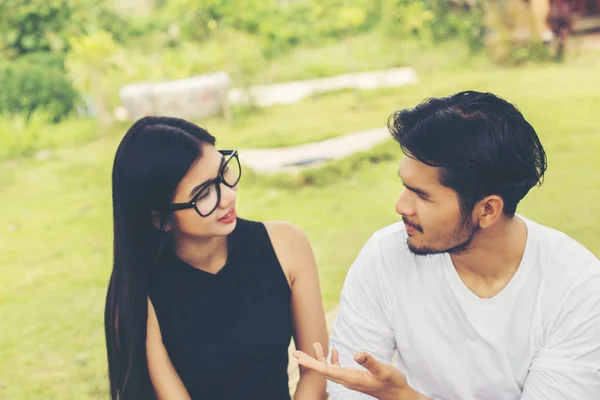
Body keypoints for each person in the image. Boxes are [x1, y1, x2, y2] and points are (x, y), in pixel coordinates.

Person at [294, 90, 600, 399]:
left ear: (487, 210)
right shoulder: (386, 255)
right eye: (405, 187)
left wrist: (402, 397)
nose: (401, 206)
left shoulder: (577, 287)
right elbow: (351, 389)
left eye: (422, 195)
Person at [104, 116, 328, 399]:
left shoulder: (287, 246)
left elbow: (315, 372)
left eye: (224, 172)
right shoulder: (137, 296)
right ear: (161, 220)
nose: (228, 197)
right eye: (204, 193)